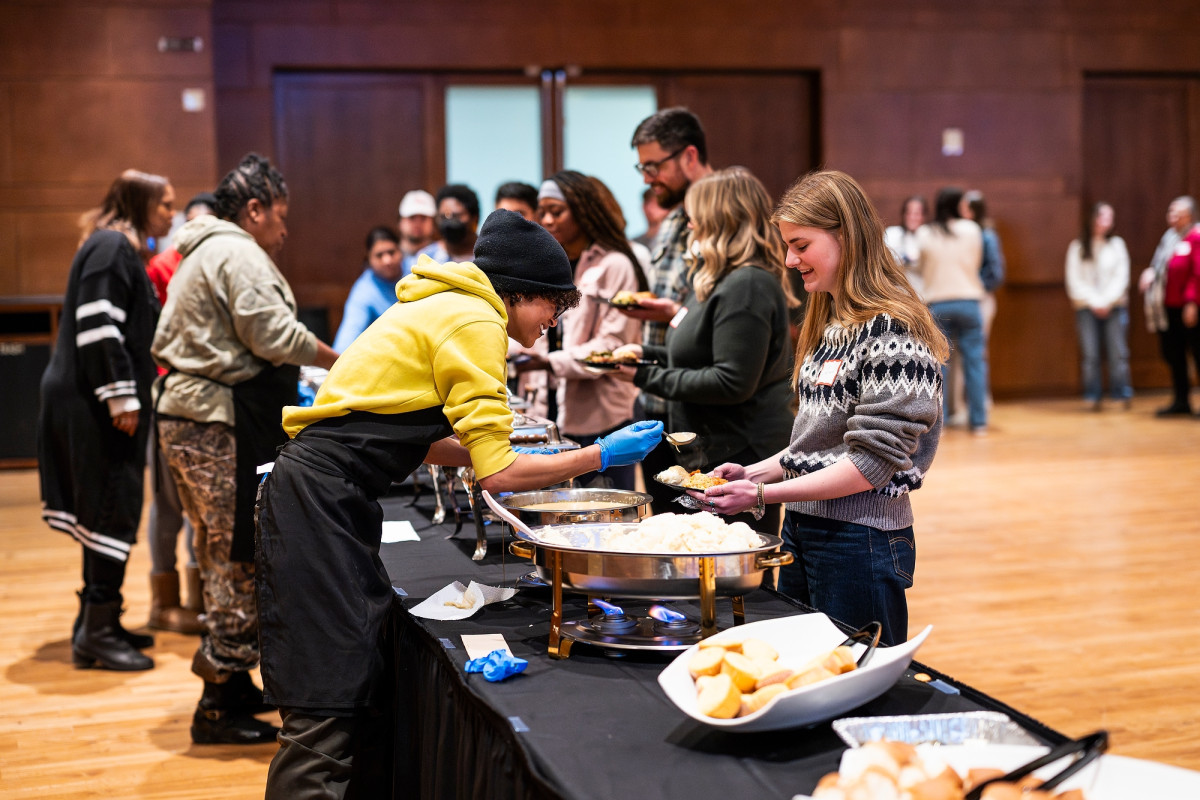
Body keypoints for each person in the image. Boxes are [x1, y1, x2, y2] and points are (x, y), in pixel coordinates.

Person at [254, 209, 663, 797]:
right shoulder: (477, 320)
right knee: (325, 699)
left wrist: (485, 448)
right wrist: (595, 457)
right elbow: (501, 474)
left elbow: (412, 439)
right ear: (521, 293)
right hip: (318, 500)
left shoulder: (441, 302)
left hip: (319, 493)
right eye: (555, 304)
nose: (554, 319)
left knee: (349, 684)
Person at [692, 170, 948, 646]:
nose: (790, 260)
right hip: (807, 529)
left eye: (801, 245)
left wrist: (764, 497)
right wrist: (754, 474)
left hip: (861, 539)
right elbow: (813, 446)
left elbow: (868, 467)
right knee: (810, 669)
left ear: (845, 237)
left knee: (856, 678)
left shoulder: (894, 330)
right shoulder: (832, 323)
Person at [153, 153, 339, 745]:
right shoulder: (235, 249)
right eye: (280, 216)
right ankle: (216, 707)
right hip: (213, 421)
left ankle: (230, 684)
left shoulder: (206, 248)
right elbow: (273, 335)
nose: (285, 231)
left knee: (219, 550)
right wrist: (347, 362)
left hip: (195, 416)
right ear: (254, 211)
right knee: (236, 550)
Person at [38, 169, 176, 671]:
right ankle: (95, 633)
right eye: (164, 204)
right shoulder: (112, 246)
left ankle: (99, 620)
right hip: (94, 403)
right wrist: (122, 398)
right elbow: (98, 326)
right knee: (109, 505)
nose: (170, 213)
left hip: (88, 398)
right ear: (141, 204)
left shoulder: (112, 246)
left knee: (106, 508)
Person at [612, 167, 796, 535]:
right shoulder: (720, 277)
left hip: (739, 451)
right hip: (716, 445)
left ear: (719, 219)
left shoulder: (747, 283)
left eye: (695, 217)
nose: (690, 226)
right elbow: (700, 353)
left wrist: (645, 374)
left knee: (729, 570)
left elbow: (731, 381)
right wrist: (645, 353)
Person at [510, 171, 647, 490]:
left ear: (583, 211)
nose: (547, 219)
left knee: (605, 514)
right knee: (555, 509)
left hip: (600, 412)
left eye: (556, 211)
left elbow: (612, 345)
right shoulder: (546, 264)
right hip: (547, 405)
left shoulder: (614, 264)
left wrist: (549, 361)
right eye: (542, 211)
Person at [624, 107, 715, 512]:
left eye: (653, 166)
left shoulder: (729, 217)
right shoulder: (673, 219)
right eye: (641, 167)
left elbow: (727, 321)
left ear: (689, 156)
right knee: (666, 539)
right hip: (660, 400)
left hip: (706, 414)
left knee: (718, 548)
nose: (646, 178)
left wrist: (673, 313)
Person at [144, 191, 216, 635]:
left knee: (200, 506)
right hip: (168, 395)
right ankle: (162, 601)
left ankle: (197, 599)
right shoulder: (160, 266)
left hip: (206, 401)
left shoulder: (221, 264)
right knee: (169, 505)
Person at [916, 186, 988, 434]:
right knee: (975, 364)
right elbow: (977, 261)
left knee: (939, 367)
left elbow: (921, 266)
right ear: (959, 205)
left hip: (939, 304)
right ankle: (979, 422)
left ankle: (940, 424)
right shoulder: (973, 229)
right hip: (969, 301)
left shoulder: (925, 233)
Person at [1065, 202, 1133, 410]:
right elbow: (1074, 280)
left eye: (1109, 218)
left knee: (1118, 353)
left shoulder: (1117, 245)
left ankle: (1121, 394)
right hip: (1086, 307)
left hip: (1114, 307)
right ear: (1092, 218)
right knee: (1091, 355)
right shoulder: (1077, 247)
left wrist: (1107, 301)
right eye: (1102, 216)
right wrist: (1094, 302)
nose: (1105, 222)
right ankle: (1092, 395)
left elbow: (1122, 277)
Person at [1138, 196, 1200, 416]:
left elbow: (1197, 273)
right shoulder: (1169, 237)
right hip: (1169, 307)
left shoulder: (1196, 236)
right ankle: (1181, 400)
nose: (1172, 217)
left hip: (1191, 308)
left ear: (1189, 216)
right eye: (1170, 212)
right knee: (1173, 354)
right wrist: (1150, 272)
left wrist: (1192, 302)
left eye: (1177, 213)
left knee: (1197, 353)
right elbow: (1160, 264)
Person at [331, 226, 403, 351]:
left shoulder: (414, 270)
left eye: (391, 252)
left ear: (400, 252)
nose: (387, 260)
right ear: (369, 259)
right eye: (379, 255)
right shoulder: (364, 292)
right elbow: (346, 339)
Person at [884, 195, 927, 298]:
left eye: (916, 214)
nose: (912, 217)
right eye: (909, 213)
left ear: (923, 216)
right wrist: (905, 259)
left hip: (923, 296)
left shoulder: (928, 236)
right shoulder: (892, 234)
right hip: (898, 295)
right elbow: (884, 260)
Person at [426, 183, 481, 263]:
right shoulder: (428, 259)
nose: (449, 221)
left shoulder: (491, 256)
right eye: (443, 217)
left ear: (475, 218)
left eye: (456, 216)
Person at [397, 189, 438, 277]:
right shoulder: (388, 257)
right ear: (400, 222)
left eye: (423, 218)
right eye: (412, 217)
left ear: (433, 223)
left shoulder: (443, 256)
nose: (417, 223)